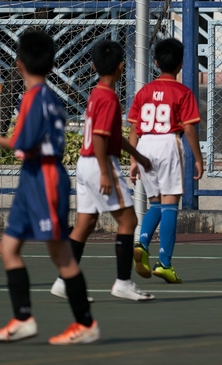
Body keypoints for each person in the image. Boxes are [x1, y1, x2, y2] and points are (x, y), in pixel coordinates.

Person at [0, 30, 99, 344]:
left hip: (44, 176)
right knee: (8, 247)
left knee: (60, 254)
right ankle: (22, 318)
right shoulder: (52, 99)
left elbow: (24, 142)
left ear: (19, 65)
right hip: (33, 175)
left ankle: (85, 324)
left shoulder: (34, 98)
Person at [50, 39, 156, 301]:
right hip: (100, 164)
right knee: (129, 220)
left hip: (85, 165)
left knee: (85, 223)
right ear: (121, 67)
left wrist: (138, 156)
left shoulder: (97, 93)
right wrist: (106, 173)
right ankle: (122, 282)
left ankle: (64, 281)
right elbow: (99, 138)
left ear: (94, 66)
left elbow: (111, 135)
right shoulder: (109, 98)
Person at [128, 38, 203, 284]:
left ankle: (142, 242)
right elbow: (190, 128)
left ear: (156, 62)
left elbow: (134, 129)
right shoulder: (183, 92)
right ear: (181, 64)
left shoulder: (144, 91)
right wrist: (197, 157)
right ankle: (165, 264)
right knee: (171, 205)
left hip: (145, 145)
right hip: (169, 142)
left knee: (155, 204)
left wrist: (132, 158)